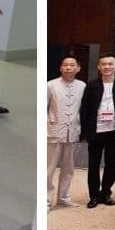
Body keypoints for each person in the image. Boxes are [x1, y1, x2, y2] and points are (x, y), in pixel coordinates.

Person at [82, 55, 115, 207]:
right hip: (96, 130)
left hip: (114, 130)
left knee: (111, 164)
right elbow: (85, 109)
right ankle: (94, 196)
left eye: (110, 64)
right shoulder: (92, 85)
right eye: (103, 64)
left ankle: (106, 193)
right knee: (93, 164)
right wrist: (85, 132)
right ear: (99, 67)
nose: (107, 67)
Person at [48, 56, 85, 208]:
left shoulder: (82, 86)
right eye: (65, 65)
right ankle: (46, 200)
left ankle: (63, 197)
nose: (68, 67)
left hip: (72, 131)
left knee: (68, 168)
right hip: (54, 130)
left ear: (78, 68)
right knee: (49, 168)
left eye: (72, 65)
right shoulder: (51, 85)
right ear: (61, 68)